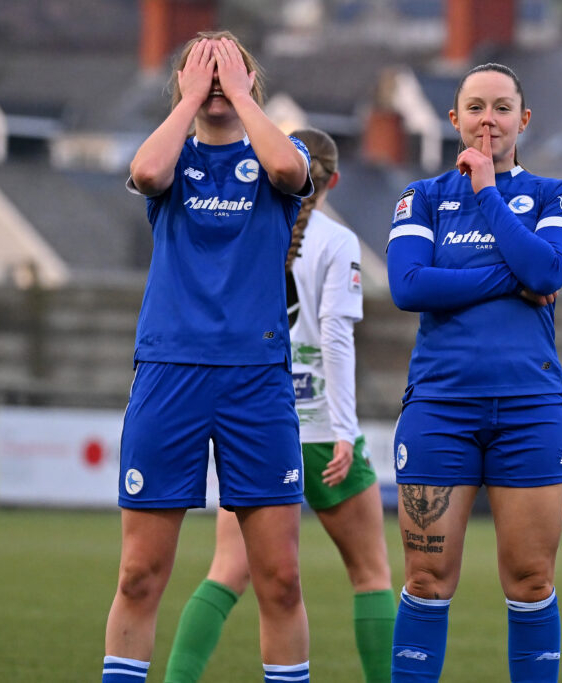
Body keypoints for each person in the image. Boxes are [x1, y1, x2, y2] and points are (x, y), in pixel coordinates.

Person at [103, 32, 314, 683]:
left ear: (254, 85)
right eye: (204, 70)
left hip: (257, 379)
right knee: (139, 574)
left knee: (279, 579)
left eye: (234, 70)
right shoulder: (171, 156)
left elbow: (290, 173)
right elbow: (144, 174)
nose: (219, 79)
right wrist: (192, 97)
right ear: (183, 85)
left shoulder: (281, 152)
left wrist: (244, 99)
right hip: (171, 372)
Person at [162, 128, 396, 683]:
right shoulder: (337, 242)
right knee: (371, 574)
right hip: (319, 430)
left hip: (257, 426)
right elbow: (337, 341)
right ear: (335, 180)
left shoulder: (242, 229)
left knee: (225, 574)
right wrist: (346, 430)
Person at [386, 62, 562, 682]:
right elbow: (408, 285)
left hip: (530, 411)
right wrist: (512, 277)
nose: (488, 119)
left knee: (531, 581)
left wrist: (489, 194)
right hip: (440, 411)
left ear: (523, 120)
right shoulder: (421, 197)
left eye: (502, 107)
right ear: (454, 119)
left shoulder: (556, 195)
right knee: (424, 578)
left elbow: (548, 273)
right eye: (475, 107)